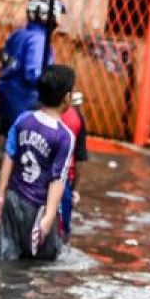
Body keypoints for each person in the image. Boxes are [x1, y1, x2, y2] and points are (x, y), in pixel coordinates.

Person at [0, 64, 76, 262]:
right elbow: (57, 178)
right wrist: (50, 215)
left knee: (5, 256)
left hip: (12, 199)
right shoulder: (64, 137)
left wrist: (1, 195)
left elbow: (9, 155)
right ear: (67, 98)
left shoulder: (23, 119)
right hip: (37, 208)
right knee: (43, 264)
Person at [0, 0, 63, 136]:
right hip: (24, 102)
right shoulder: (39, 40)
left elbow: (4, 57)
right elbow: (33, 75)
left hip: (6, 96)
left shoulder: (19, 34)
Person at [59, 91, 88, 242]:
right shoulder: (77, 119)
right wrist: (76, 190)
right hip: (64, 182)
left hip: (37, 181)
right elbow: (80, 159)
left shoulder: (34, 113)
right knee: (63, 233)